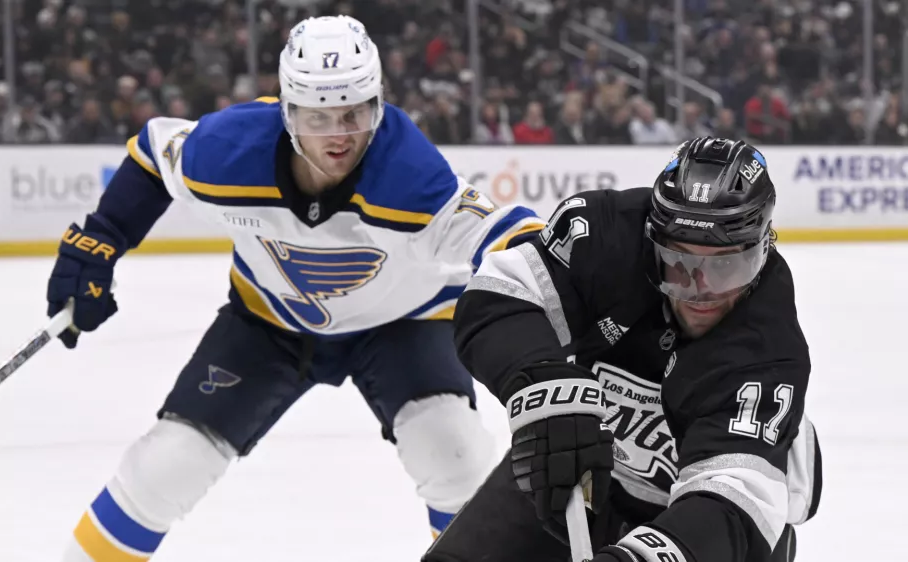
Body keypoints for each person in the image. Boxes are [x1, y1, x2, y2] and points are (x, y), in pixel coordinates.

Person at [50, 15, 545, 561]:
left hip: (404, 323)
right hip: (269, 321)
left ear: (378, 105)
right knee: (164, 466)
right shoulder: (228, 149)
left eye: (354, 113)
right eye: (318, 116)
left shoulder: (409, 173)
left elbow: (502, 232)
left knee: (457, 459)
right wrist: (99, 241)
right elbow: (153, 154)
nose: (339, 136)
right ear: (287, 112)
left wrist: (573, 278)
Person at [424, 137, 823, 562]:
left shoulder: (767, 348)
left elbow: (734, 501)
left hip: (705, 524)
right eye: (680, 263)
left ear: (762, 248)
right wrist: (542, 383)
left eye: (725, 267)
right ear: (652, 238)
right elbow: (500, 294)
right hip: (576, 471)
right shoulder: (608, 233)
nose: (699, 291)